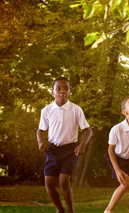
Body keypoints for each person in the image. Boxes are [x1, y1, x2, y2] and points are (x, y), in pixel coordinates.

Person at [37, 77, 93, 213]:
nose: (62, 92)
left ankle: (70, 210)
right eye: (59, 89)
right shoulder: (46, 110)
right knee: (49, 184)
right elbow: (41, 130)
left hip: (70, 150)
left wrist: (82, 145)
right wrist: (40, 142)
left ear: (69, 92)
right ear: (52, 92)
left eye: (66, 89)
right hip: (53, 150)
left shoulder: (76, 109)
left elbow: (88, 130)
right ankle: (60, 210)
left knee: (63, 182)